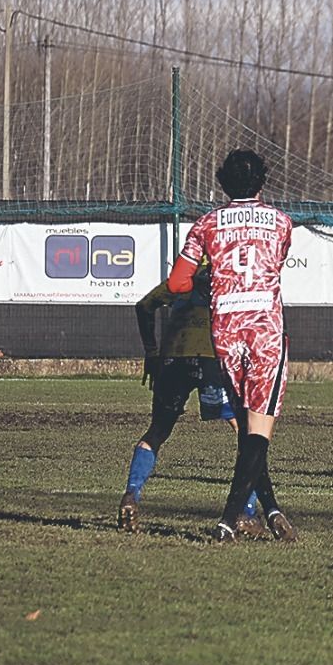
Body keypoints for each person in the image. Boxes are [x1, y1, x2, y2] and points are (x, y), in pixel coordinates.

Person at [167, 149, 297, 543]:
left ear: (223, 182)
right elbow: (275, 263)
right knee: (260, 427)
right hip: (265, 328)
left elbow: (177, 284)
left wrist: (206, 284)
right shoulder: (281, 222)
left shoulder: (206, 224)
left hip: (225, 328)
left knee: (247, 425)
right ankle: (229, 519)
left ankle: (270, 509)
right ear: (262, 181)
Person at [118, 262, 259, 534]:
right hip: (211, 361)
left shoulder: (182, 281)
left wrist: (151, 351)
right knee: (247, 432)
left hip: (173, 359)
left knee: (157, 432)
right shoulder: (228, 278)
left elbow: (144, 306)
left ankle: (131, 496)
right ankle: (247, 512)